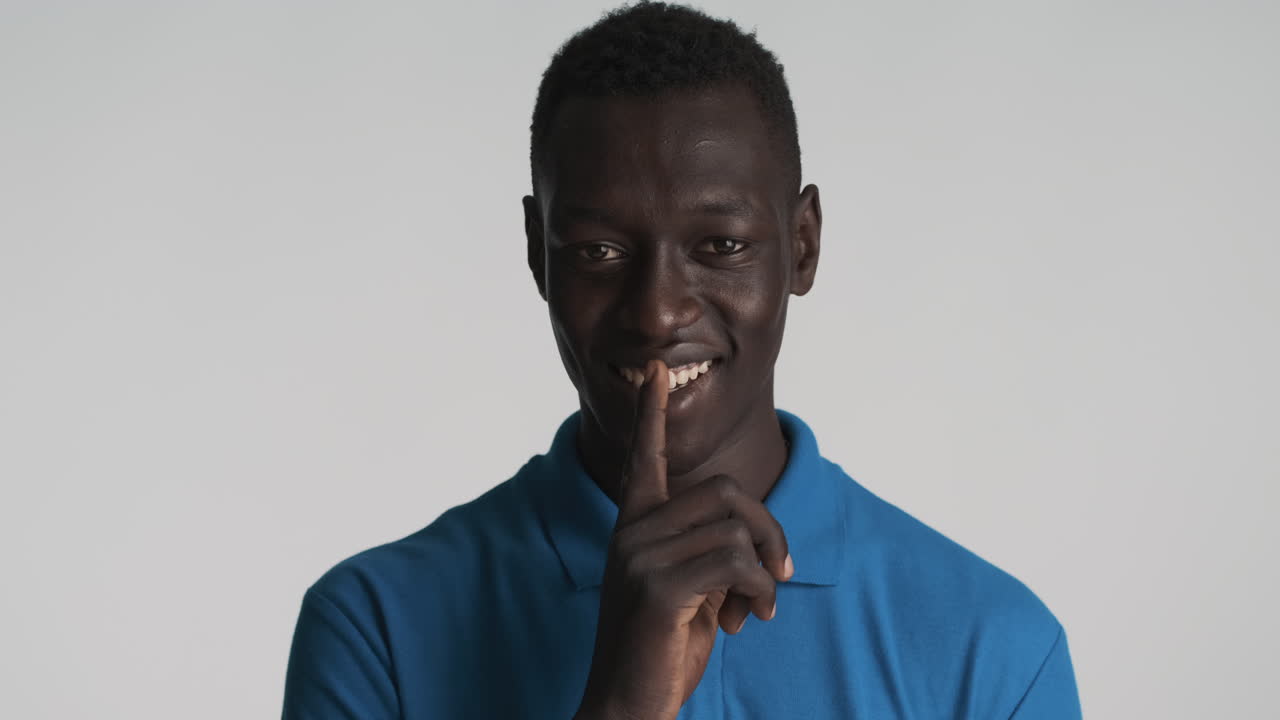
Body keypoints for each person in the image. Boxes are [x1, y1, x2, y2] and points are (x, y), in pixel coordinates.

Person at [282, 2, 1083, 718]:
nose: (658, 312)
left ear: (803, 246)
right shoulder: (374, 629)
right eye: (598, 251)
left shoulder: (994, 646)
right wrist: (623, 706)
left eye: (721, 246)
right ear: (537, 254)